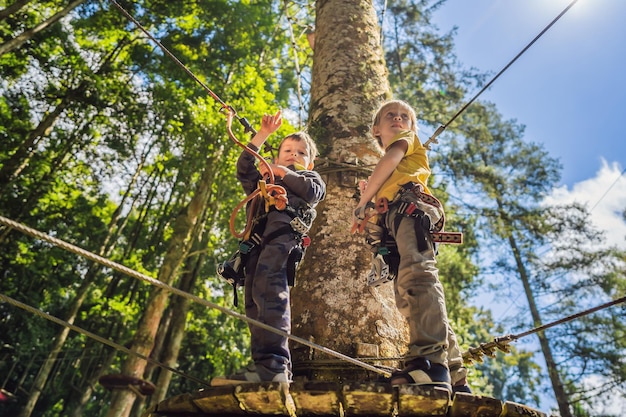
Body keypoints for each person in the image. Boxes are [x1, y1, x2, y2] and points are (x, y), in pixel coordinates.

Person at [352, 99, 470, 394]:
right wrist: (369, 209)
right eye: (389, 115)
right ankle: (454, 374)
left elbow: (390, 158)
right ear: (376, 129)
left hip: (411, 210)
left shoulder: (406, 142)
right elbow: (384, 186)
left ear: (412, 127)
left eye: (405, 116)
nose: (398, 118)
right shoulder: (388, 175)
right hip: (396, 218)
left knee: (418, 276)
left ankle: (429, 361)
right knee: (409, 290)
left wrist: (364, 201)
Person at [211, 111, 326, 385]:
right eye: (287, 150)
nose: (293, 155)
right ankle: (265, 367)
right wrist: (262, 135)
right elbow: (244, 168)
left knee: (271, 294)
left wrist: (282, 172)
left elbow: (312, 192)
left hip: (282, 242)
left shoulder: (310, 180)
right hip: (254, 249)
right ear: (275, 157)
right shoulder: (263, 183)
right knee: (253, 301)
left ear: (311, 161)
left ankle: (274, 365)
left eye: (301, 152)